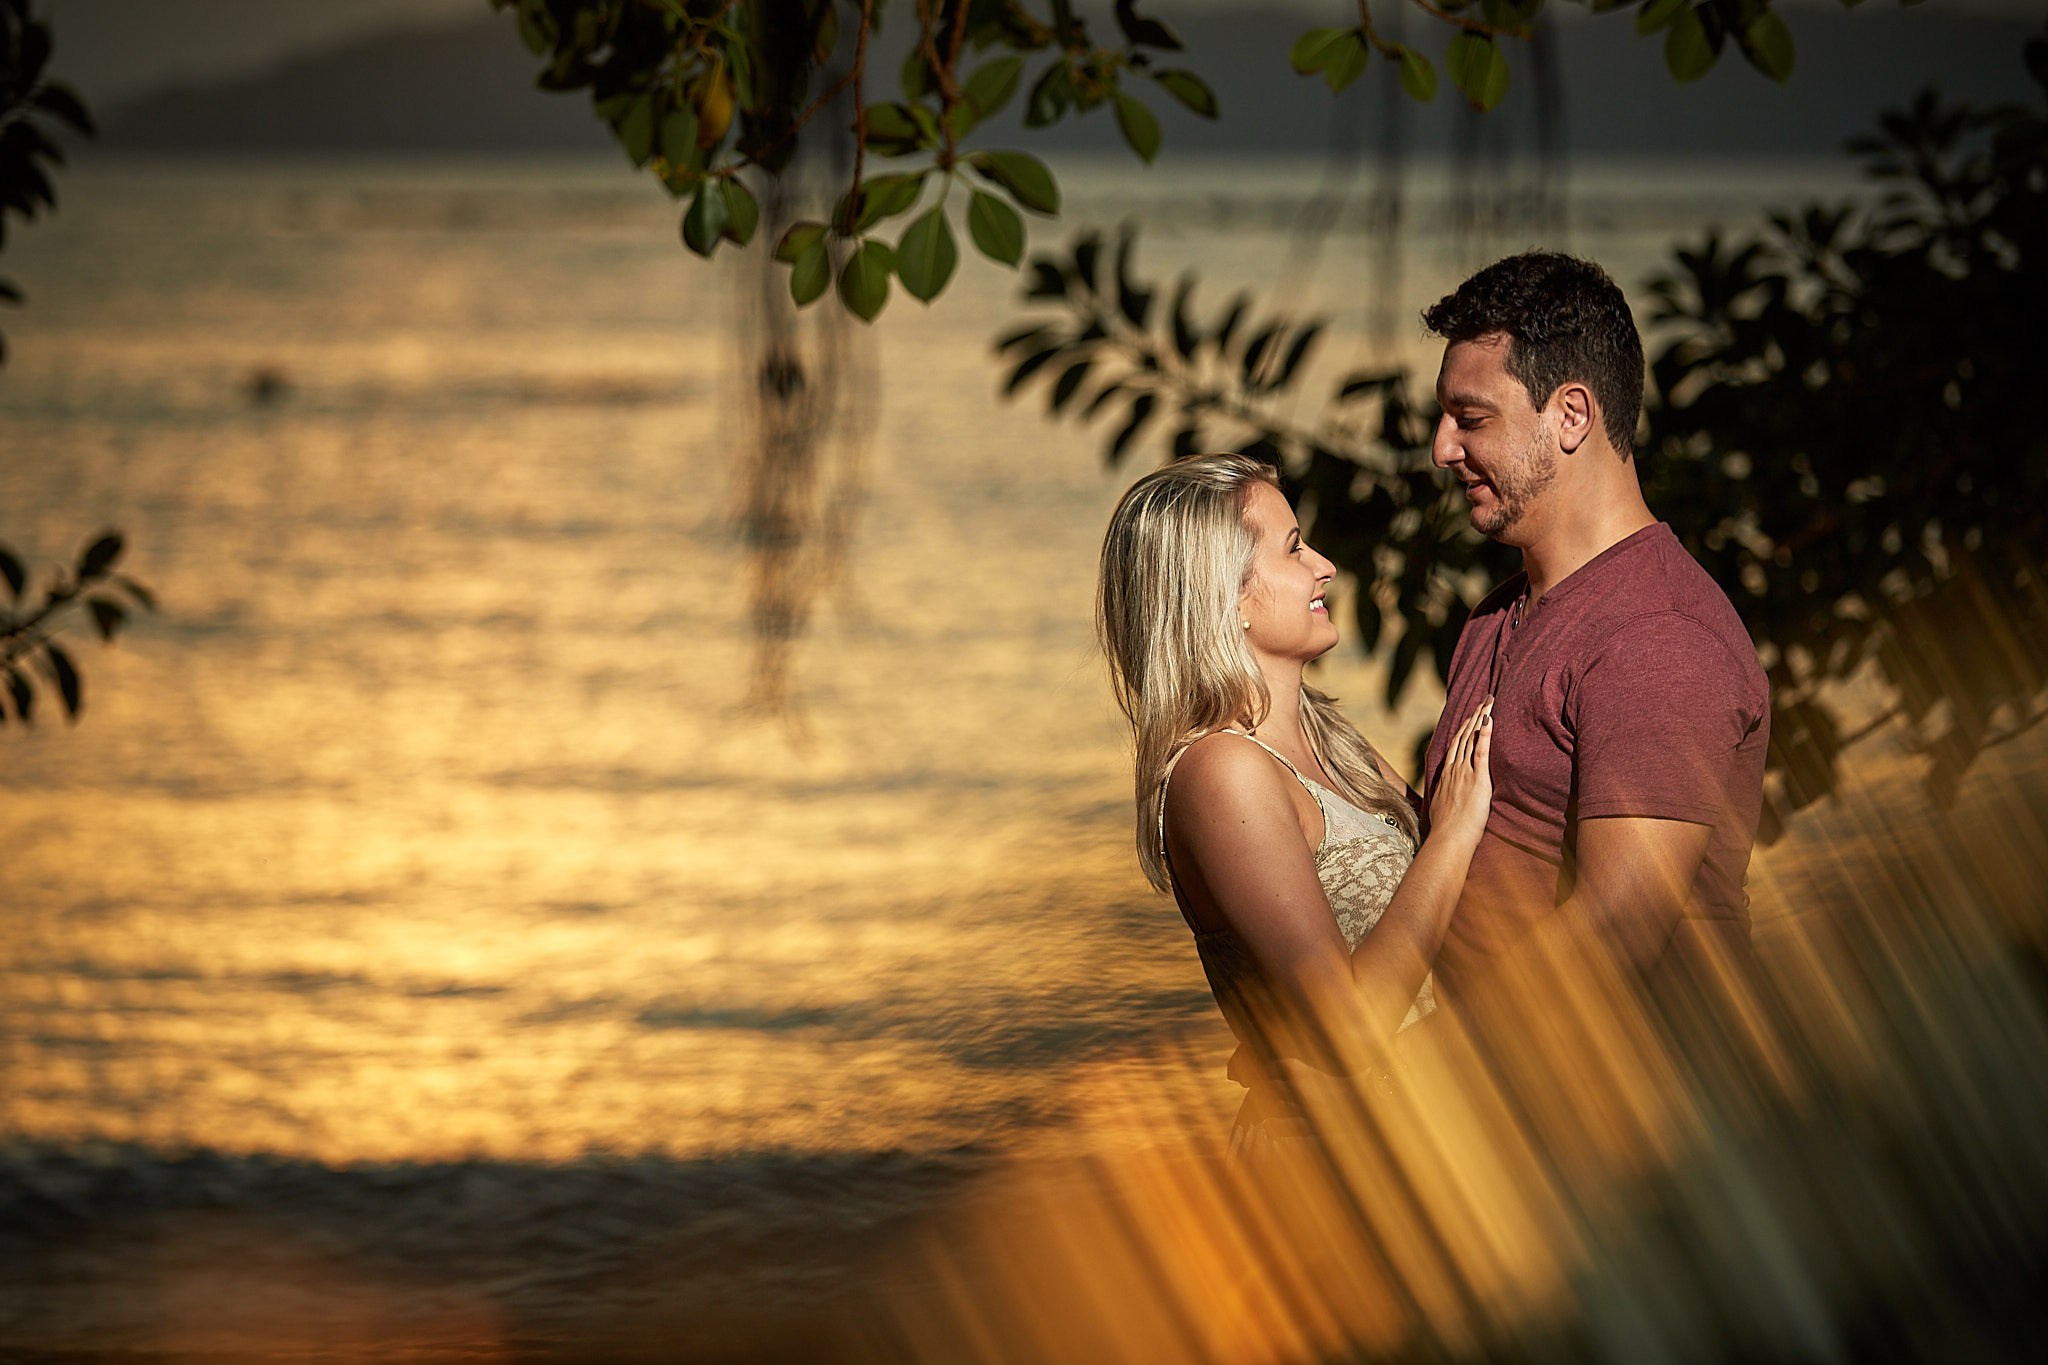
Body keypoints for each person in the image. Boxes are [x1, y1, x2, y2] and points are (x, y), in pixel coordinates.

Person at [1097, 453, 1495, 1157]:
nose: (1326, 567)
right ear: (1226, 597)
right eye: (1293, 549)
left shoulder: (1331, 738)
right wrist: (1452, 834)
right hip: (1327, 1163)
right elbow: (1347, 1028)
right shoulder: (1222, 772)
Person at [1417, 251, 1771, 1021]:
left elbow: (1616, 930)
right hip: (1506, 1083)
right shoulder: (1496, 616)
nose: (1442, 448)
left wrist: (1419, 1068)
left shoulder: (1658, 636)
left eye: (1471, 419)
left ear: (1572, 414)